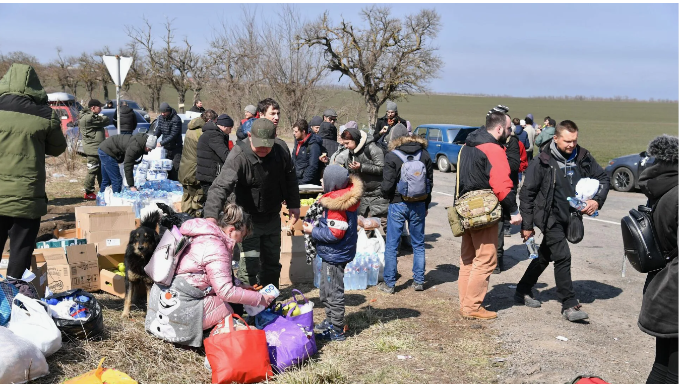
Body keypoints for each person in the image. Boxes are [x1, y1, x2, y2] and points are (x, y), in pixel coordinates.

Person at [515, 120, 609, 322]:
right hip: (548, 216)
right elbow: (527, 194)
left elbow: (603, 178)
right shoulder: (542, 161)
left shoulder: (583, 157)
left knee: (544, 256)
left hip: (571, 215)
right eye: (567, 141)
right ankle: (569, 304)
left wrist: (596, 201)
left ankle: (522, 290)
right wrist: (527, 225)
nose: (571, 145)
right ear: (555, 138)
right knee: (563, 256)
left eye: (574, 140)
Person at [204, 118, 300, 288]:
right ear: (249, 136)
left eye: (267, 146)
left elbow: (290, 177)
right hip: (247, 221)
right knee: (250, 265)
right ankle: (249, 307)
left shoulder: (281, 150)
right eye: (259, 145)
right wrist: (211, 216)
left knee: (272, 264)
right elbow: (220, 186)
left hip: (271, 217)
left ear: (275, 137)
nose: (263, 149)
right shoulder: (239, 155)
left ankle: (270, 303)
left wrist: (294, 203)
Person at [0, 63, 67, 279]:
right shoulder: (45, 115)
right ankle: (12, 296)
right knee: (20, 251)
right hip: (27, 195)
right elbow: (58, 148)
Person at [457, 108, 521, 320]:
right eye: (509, 128)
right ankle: (472, 307)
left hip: (464, 208)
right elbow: (502, 185)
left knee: (468, 259)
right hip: (482, 211)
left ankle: (465, 303)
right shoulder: (493, 149)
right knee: (486, 259)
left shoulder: (467, 145)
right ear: (500, 128)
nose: (511, 132)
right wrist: (513, 210)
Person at [176, 204, 275, 331]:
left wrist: (240, 285)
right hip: (183, 303)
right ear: (231, 230)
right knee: (229, 310)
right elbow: (225, 292)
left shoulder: (208, 237)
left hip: (179, 295)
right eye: (242, 235)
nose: (241, 241)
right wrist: (260, 299)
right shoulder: (216, 247)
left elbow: (213, 275)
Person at [303, 165, 362, 341]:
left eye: (324, 179)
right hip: (333, 254)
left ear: (332, 183)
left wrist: (312, 231)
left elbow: (335, 233)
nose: (321, 181)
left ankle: (336, 330)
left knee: (333, 292)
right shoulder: (341, 199)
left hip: (335, 255)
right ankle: (330, 320)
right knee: (325, 289)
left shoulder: (337, 206)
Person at [636, 135, 678, 384]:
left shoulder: (661, 189)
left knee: (663, 367)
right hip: (675, 292)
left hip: (661, 284)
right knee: (673, 373)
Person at [377, 124, 433, 294]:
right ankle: (419, 281)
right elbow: (429, 183)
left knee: (392, 245)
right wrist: (426, 204)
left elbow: (387, 185)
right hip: (419, 203)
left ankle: (390, 283)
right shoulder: (424, 154)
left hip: (397, 203)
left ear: (394, 139)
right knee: (418, 244)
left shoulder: (391, 156)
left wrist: (388, 197)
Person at [340, 126, 389, 225]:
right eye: (344, 143)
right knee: (366, 225)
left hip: (378, 193)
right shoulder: (351, 153)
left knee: (385, 223)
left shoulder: (372, 148)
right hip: (363, 194)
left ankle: (397, 240)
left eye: (347, 143)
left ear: (355, 140)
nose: (345, 146)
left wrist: (362, 167)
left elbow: (382, 168)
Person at [179, 109, 217, 217]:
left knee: (186, 197)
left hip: (184, 168)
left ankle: (184, 222)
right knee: (198, 199)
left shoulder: (190, 129)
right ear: (209, 120)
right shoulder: (202, 133)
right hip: (194, 170)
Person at [196, 114, 234, 204]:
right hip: (210, 176)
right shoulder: (214, 135)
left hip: (208, 174)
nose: (230, 131)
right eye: (230, 128)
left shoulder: (213, 133)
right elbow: (225, 155)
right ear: (224, 126)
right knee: (213, 203)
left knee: (212, 202)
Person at [79, 98, 110, 200]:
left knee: (101, 170)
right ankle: (88, 192)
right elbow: (106, 120)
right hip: (93, 149)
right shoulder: (89, 118)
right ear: (93, 108)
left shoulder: (90, 116)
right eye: (99, 107)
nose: (101, 109)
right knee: (92, 170)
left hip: (97, 148)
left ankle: (103, 189)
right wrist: (102, 117)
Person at [154, 102, 183, 181]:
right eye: (161, 112)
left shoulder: (176, 119)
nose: (162, 114)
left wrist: (161, 143)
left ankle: (175, 183)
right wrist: (153, 138)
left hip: (176, 147)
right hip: (166, 147)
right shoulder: (161, 118)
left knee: (175, 167)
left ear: (168, 111)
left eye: (164, 112)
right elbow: (159, 129)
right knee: (166, 167)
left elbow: (173, 135)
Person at [291, 119, 323, 185]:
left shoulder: (314, 145)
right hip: (296, 179)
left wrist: (302, 182)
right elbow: (294, 161)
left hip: (307, 183)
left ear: (303, 132)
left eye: (296, 131)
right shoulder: (298, 142)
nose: (294, 133)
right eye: (293, 131)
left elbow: (313, 166)